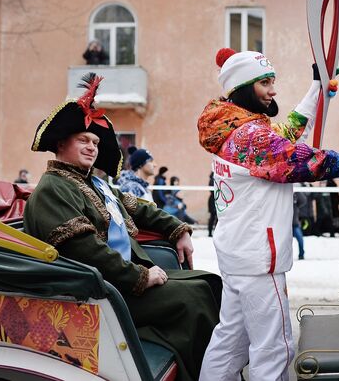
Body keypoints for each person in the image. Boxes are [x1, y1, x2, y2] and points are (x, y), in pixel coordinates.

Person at [23, 73, 220, 381]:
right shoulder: (53, 188)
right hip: (100, 291)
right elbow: (85, 250)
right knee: (193, 300)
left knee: (209, 283)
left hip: (122, 280)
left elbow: (138, 208)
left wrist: (177, 229)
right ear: (61, 143)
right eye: (83, 140)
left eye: (96, 142)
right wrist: (140, 276)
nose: (92, 148)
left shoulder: (96, 184)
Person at [197, 48, 339, 380]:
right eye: (265, 82)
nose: (273, 90)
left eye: (273, 81)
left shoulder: (235, 129)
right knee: (274, 348)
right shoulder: (250, 138)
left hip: (238, 254)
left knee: (230, 343)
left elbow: (288, 132)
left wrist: (315, 88)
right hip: (259, 259)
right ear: (243, 86)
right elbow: (297, 159)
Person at [292, 185, 306, 260]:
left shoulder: (295, 196)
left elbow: (304, 200)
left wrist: (297, 191)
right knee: (284, 243)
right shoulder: (284, 195)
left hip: (295, 224)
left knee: (300, 240)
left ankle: (301, 255)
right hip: (285, 225)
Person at [207, 171, 218, 237]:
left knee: (217, 217)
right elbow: (212, 190)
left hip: (217, 198)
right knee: (213, 216)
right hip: (212, 200)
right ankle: (210, 232)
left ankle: (215, 232)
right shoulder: (212, 179)